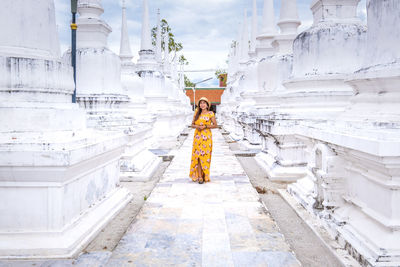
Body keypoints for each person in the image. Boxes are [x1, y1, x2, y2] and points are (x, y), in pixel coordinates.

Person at [189, 97, 218, 184]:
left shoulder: (210, 113)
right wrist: (197, 126)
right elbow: (192, 124)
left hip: (206, 137)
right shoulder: (197, 113)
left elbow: (215, 125)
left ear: (207, 105)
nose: (202, 104)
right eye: (201, 103)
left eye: (204, 103)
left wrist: (205, 126)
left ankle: (205, 175)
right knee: (197, 156)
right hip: (197, 137)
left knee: (205, 155)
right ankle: (199, 176)